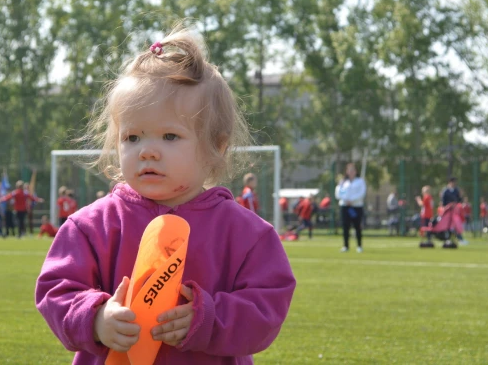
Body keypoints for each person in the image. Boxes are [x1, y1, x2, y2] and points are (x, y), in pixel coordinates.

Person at [35, 27, 296, 365]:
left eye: (170, 136)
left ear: (216, 146)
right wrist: (96, 318)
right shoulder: (90, 226)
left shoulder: (247, 234)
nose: (148, 152)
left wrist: (207, 319)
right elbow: (56, 289)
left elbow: (267, 307)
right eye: (132, 138)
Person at [335, 163, 367, 253]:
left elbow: (361, 193)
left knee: (357, 226)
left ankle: (359, 246)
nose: (351, 172)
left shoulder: (360, 181)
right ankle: (345, 246)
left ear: (356, 171)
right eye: (349, 170)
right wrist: (345, 200)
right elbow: (338, 193)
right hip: (345, 206)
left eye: (353, 170)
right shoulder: (343, 182)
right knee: (345, 226)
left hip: (356, 206)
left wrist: (352, 200)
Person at [440, 177, 468, 245]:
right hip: (447, 211)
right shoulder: (445, 191)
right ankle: (447, 239)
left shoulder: (456, 190)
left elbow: (459, 200)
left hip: (455, 211)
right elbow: (443, 202)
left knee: (456, 225)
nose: (454, 184)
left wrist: (461, 196)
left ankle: (460, 238)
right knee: (447, 226)